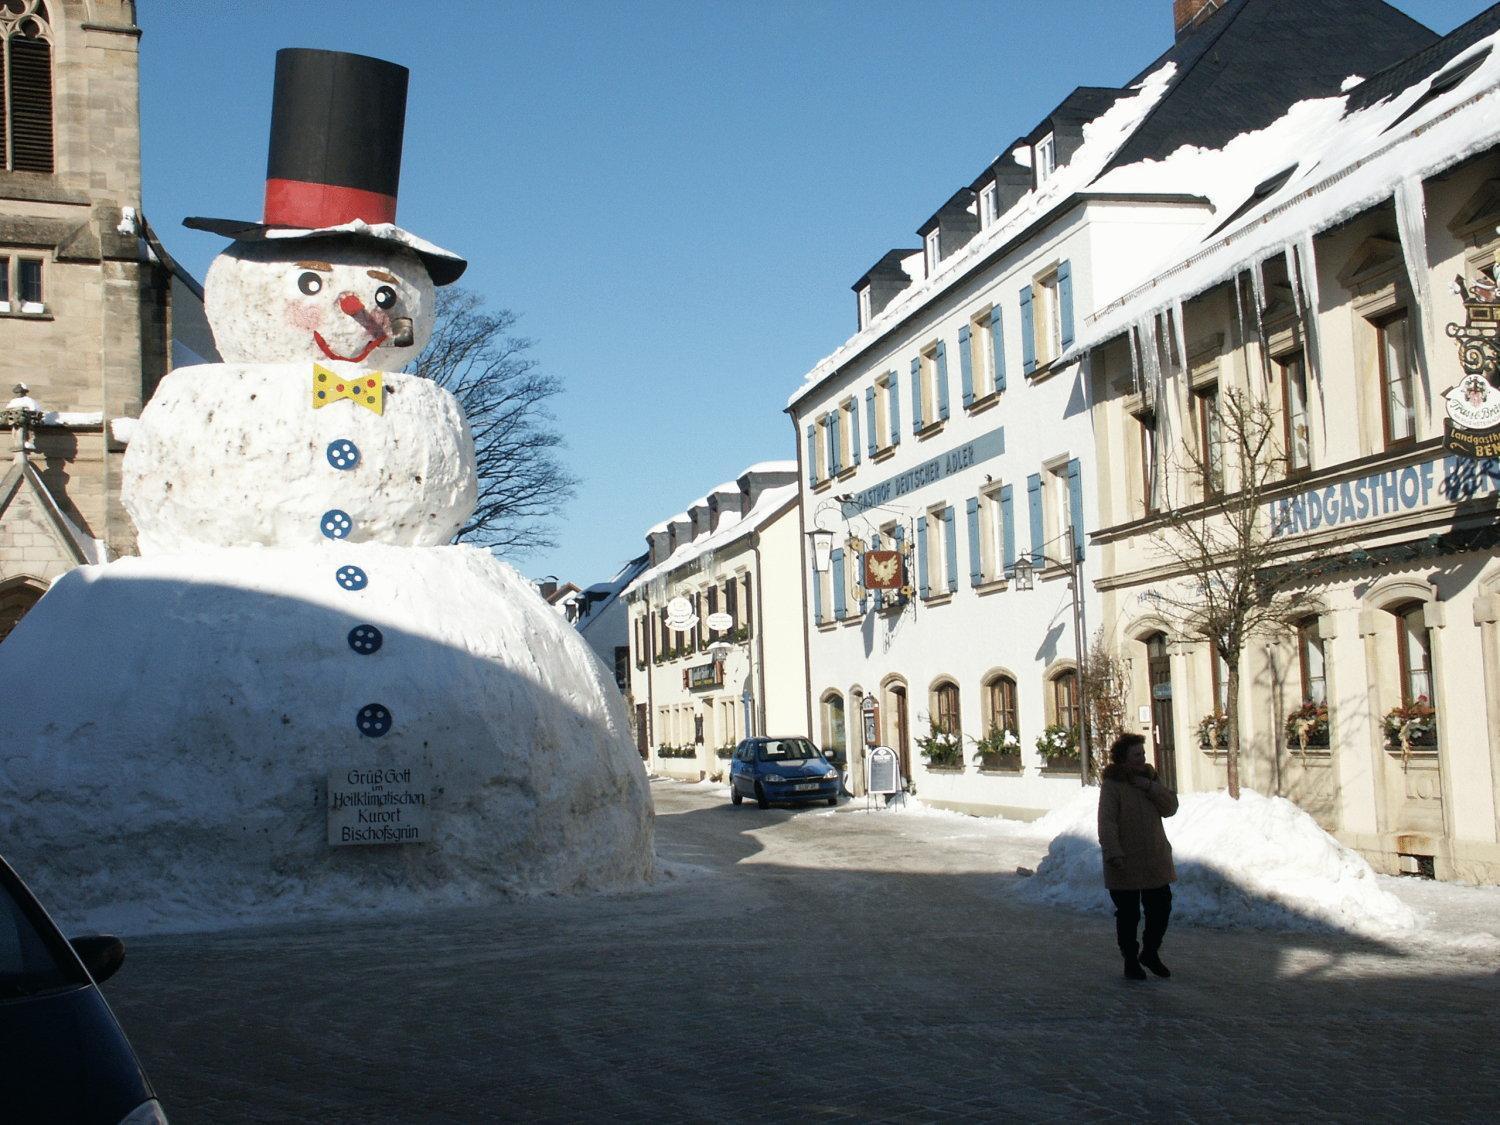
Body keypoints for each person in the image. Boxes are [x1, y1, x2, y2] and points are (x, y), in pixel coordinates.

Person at [1098, 733, 1179, 980]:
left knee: (1161, 908)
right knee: (1129, 915)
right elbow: (1107, 822)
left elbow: (1171, 808)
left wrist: (1151, 787)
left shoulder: (1150, 779)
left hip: (1154, 858)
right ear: (1123, 759)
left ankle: (1151, 952)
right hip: (1125, 861)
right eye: (1137, 755)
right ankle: (1131, 959)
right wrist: (1114, 853)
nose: (1142, 759)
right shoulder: (1113, 785)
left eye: (1143, 754)